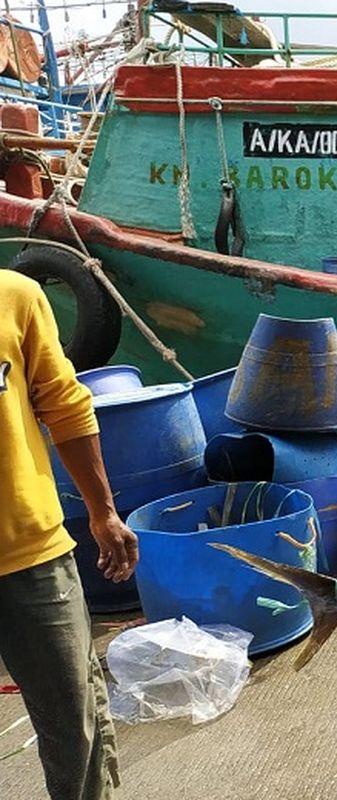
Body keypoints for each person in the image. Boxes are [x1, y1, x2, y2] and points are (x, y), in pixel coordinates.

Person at [0, 270, 138, 800]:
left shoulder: (16, 296)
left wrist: (102, 512)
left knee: (73, 721)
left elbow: (64, 404)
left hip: (30, 553)